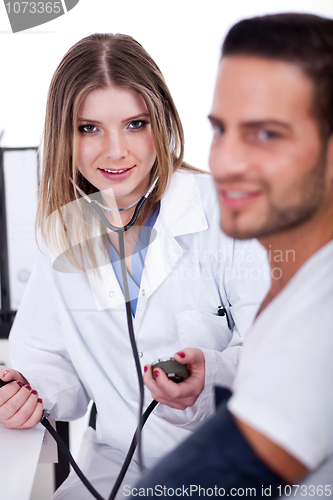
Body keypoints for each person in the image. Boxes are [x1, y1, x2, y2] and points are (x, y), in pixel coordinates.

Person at [0, 34, 269, 499]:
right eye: (89, 128)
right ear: (64, 134)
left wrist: (213, 375)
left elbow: (287, 360)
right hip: (116, 468)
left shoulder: (231, 216)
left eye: (134, 124)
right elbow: (49, 359)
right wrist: (25, 389)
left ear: (161, 123)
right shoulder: (63, 233)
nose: (115, 151)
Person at [131, 13, 333, 498]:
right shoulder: (294, 284)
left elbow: (200, 486)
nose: (226, 161)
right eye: (221, 129)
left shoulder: (321, 316)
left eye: (266, 134)